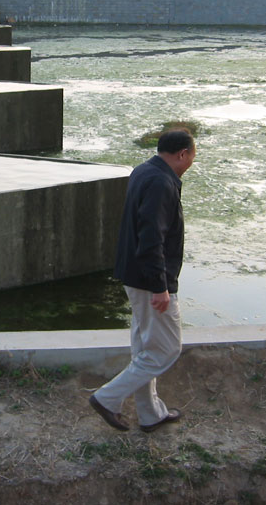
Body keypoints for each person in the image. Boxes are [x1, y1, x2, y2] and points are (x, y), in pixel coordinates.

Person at [90, 129, 195, 432]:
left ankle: (150, 414)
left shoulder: (143, 171)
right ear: (182, 154)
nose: (191, 162)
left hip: (134, 274)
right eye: (192, 156)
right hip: (150, 281)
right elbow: (152, 238)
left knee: (145, 348)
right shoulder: (162, 182)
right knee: (166, 350)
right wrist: (160, 286)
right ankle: (106, 398)